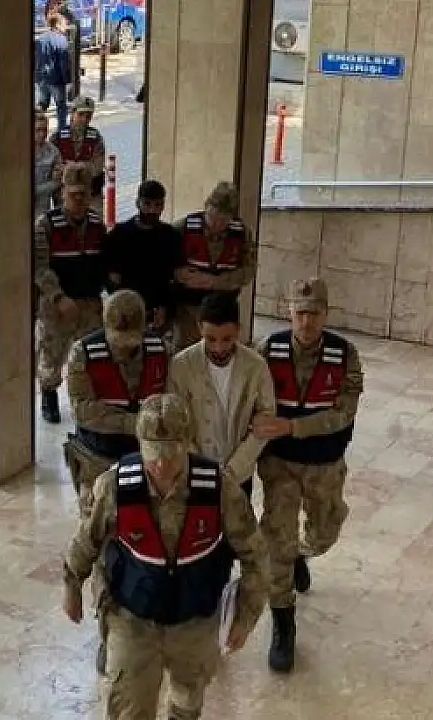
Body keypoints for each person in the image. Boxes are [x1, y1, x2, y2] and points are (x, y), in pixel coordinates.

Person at [63, 393, 269, 720]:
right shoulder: (114, 486)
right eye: (153, 454)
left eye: (171, 454)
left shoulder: (220, 490)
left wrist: (246, 616)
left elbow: (256, 555)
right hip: (133, 619)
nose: (161, 465)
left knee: (187, 706)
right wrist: (71, 583)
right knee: (128, 709)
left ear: (187, 443)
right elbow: (87, 539)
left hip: (194, 621)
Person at [252, 278, 364, 673]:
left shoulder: (345, 355)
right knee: (276, 541)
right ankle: (283, 621)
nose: (306, 321)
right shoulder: (269, 350)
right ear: (289, 312)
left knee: (324, 533)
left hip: (324, 464)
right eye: (300, 313)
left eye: (314, 313)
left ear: (326, 314)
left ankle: (302, 553)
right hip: (280, 465)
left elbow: (343, 413)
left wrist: (293, 427)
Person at [62, 289, 171, 674]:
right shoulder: (83, 354)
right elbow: (86, 412)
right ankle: (109, 632)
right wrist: (141, 422)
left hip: (148, 465)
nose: (125, 348)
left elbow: (170, 404)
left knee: (149, 541)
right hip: (98, 463)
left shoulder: (161, 351)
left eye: (132, 340)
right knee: (104, 548)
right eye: (117, 340)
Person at [168, 292, 276, 497]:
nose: (218, 348)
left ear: (238, 330)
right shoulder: (181, 366)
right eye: (211, 339)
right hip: (193, 471)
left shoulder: (256, 366)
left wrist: (233, 471)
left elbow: (265, 422)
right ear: (200, 328)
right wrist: (201, 467)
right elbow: (175, 424)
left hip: (240, 474)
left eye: (227, 339)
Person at [35, 162, 107, 424]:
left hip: (89, 301)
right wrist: (58, 297)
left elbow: (103, 261)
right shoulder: (46, 225)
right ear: (62, 192)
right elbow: (40, 267)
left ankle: (84, 397)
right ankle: (49, 393)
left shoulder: (97, 224)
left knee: (91, 352)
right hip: (57, 303)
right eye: (73, 193)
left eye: (83, 194)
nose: (78, 199)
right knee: (52, 352)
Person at [170, 182, 256, 352]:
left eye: (223, 220)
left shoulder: (242, 234)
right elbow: (163, 261)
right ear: (206, 208)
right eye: (212, 216)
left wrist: (216, 281)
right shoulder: (182, 228)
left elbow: (249, 270)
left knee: (220, 352)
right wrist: (178, 273)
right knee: (185, 353)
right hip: (188, 308)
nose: (216, 224)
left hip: (224, 309)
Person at [101, 180, 184, 335]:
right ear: (137, 203)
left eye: (157, 205)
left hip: (160, 315)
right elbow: (111, 280)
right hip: (125, 313)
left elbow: (175, 278)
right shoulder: (119, 235)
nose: (152, 210)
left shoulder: (171, 236)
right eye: (147, 204)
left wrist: (165, 307)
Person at [50, 96, 107, 214]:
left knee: (95, 221)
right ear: (72, 113)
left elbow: (97, 167)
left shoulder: (96, 137)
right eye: (81, 114)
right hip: (64, 194)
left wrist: (73, 167)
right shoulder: (57, 137)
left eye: (88, 116)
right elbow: (53, 169)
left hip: (91, 193)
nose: (84, 119)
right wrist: (83, 166)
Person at [35, 13, 74, 131]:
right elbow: (64, 63)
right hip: (56, 80)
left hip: (42, 78)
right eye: (64, 24)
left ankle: (37, 128)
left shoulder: (41, 38)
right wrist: (68, 81)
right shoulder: (61, 40)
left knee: (42, 105)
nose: (66, 26)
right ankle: (61, 132)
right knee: (61, 107)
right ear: (57, 24)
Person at [33, 110, 64, 221]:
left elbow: (59, 182)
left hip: (42, 211)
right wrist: (52, 184)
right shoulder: (19, 151)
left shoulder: (53, 152)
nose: (42, 134)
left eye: (45, 130)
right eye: (38, 130)